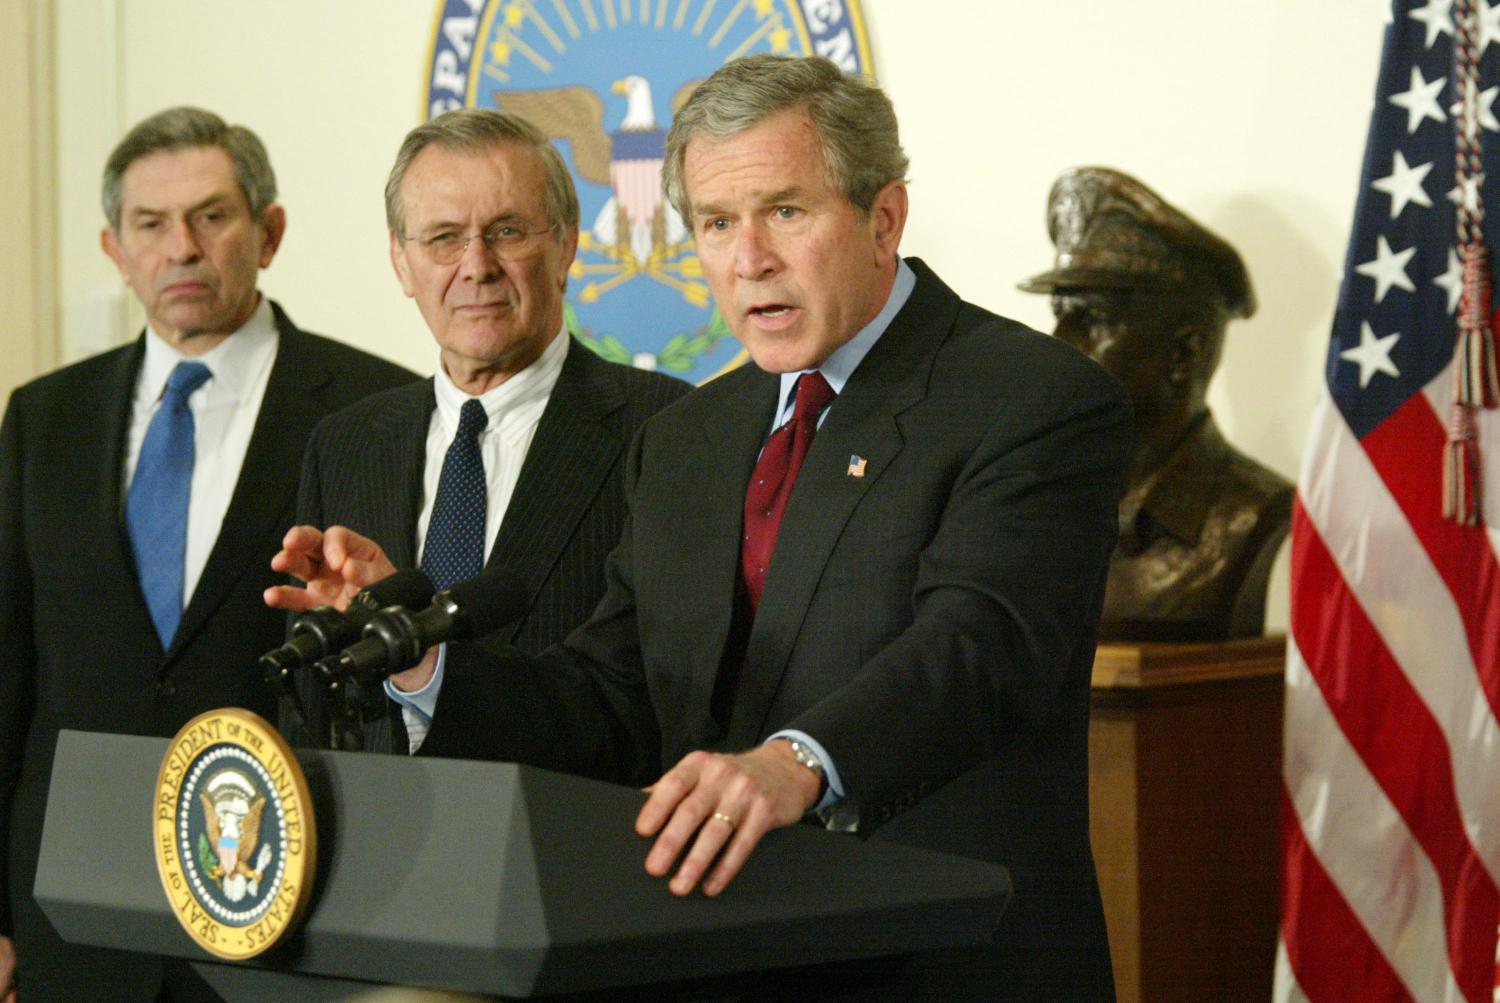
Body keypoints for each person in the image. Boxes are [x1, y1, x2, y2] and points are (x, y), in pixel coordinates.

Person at [274, 56, 1130, 999]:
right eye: (718, 224)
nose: (748, 258)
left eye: (786, 212)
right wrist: (416, 658)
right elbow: (611, 700)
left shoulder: (1031, 397)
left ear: (883, 217)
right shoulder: (688, 439)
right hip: (719, 961)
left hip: (947, 962)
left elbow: (979, 646)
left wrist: (797, 761)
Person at [0, 107, 416, 1002]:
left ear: (268, 233)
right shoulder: (44, 418)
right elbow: (7, 674)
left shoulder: (376, 408)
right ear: (115, 248)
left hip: (293, 909)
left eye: (212, 216)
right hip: (71, 917)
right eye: (151, 225)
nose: (181, 247)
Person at [267, 109, 689, 753]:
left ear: (567, 244)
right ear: (401, 263)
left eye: (507, 231)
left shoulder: (666, 430)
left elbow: (649, 697)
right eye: (443, 238)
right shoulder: (346, 444)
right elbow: (307, 706)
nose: (477, 265)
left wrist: (428, 665)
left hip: (564, 839)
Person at [1020, 166, 1293, 642]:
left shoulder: (1254, 518)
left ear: (1182, 355)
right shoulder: (1033, 506)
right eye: (1060, 316)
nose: (1058, 343)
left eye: (1093, 319)